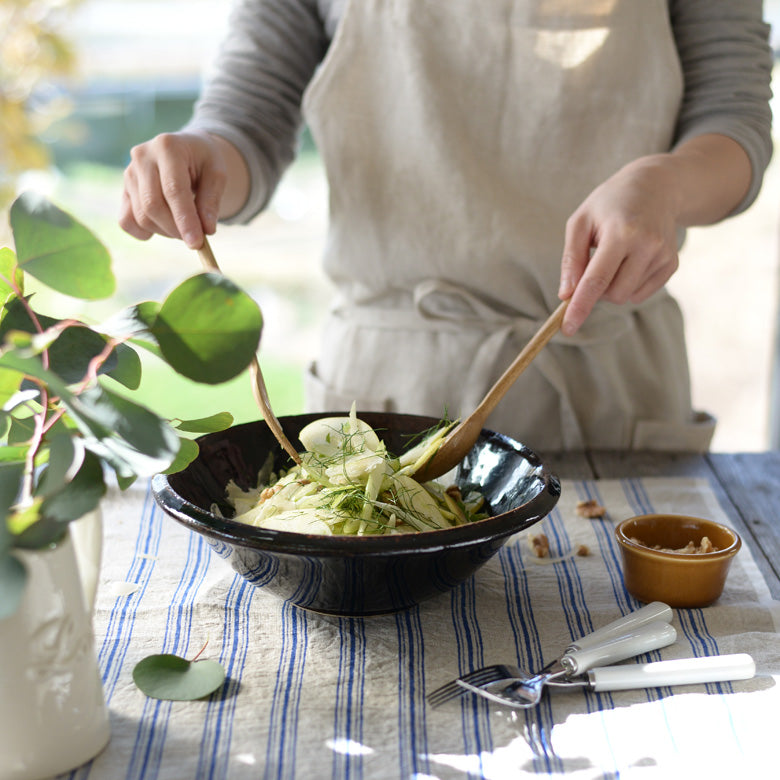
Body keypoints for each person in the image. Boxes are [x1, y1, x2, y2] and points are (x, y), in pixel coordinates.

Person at [119, 0, 773, 452]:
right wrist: (202, 157)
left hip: (613, 390)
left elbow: (734, 119)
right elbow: (247, 120)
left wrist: (666, 185)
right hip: (389, 390)